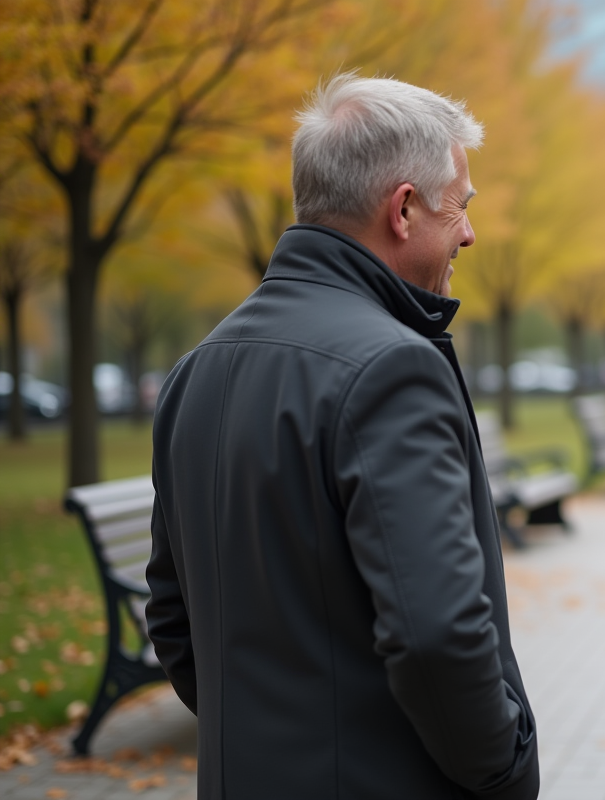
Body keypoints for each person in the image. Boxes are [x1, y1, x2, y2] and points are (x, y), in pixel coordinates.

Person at [146, 74, 539, 800]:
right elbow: (438, 637)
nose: (469, 232)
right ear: (404, 208)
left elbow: (173, 619)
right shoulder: (393, 369)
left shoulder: (194, 371)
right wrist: (504, 769)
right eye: (461, 206)